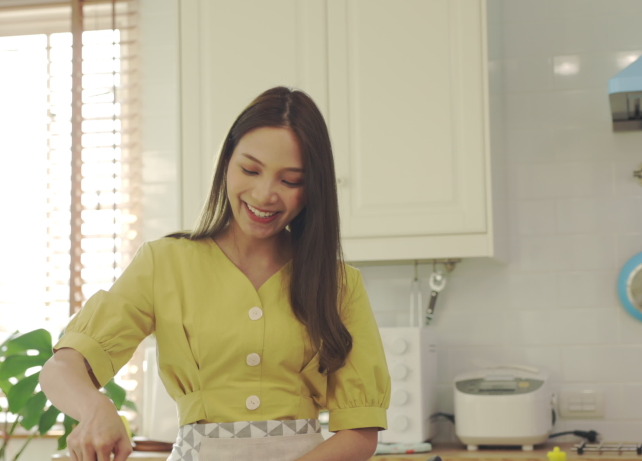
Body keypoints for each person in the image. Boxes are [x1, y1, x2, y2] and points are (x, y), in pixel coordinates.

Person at [40, 86, 391, 461]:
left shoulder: (339, 285)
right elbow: (63, 366)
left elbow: (359, 433)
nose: (264, 194)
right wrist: (97, 409)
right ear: (226, 162)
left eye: (290, 180)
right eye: (250, 169)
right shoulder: (165, 263)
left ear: (312, 190)